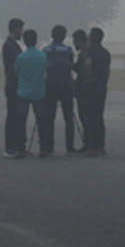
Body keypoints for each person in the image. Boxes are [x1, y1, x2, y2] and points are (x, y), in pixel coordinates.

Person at [12, 28, 51, 158]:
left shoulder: (21, 57)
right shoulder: (42, 56)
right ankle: (44, 149)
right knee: (42, 121)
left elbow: (16, 73)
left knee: (21, 121)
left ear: (24, 41)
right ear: (36, 40)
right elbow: (46, 71)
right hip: (39, 91)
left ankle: (20, 149)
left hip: (23, 91)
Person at [42, 25, 77, 154]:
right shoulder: (68, 50)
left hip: (50, 86)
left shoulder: (46, 50)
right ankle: (70, 146)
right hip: (66, 86)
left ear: (52, 35)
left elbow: (44, 67)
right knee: (69, 118)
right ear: (64, 36)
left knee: (49, 118)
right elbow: (72, 66)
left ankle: (48, 146)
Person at [79, 27, 112, 156]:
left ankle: (91, 147)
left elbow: (87, 67)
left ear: (92, 38)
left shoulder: (89, 52)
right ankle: (101, 146)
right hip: (102, 88)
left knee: (89, 118)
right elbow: (107, 71)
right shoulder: (105, 53)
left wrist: (87, 83)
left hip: (90, 89)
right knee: (99, 117)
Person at [1, 17, 25, 157]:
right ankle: (11, 147)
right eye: (21, 29)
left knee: (14, 116)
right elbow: (15, 67)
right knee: (13, 117)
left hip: (13, 84)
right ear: (16, 29)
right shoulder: (11, 46)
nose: (21, 33)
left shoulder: (11, 44)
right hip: (13, 85)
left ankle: (14, 146)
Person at [70, 28, 89, 153]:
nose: (73, 44)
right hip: (84, 90)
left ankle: (89, 145)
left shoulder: (85, 54)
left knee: (85, 118)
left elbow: (82, 72)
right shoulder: (84, 53)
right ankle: (89, 144)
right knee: (85, 118)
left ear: (79, 41)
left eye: (74, 42)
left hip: (85, 91)